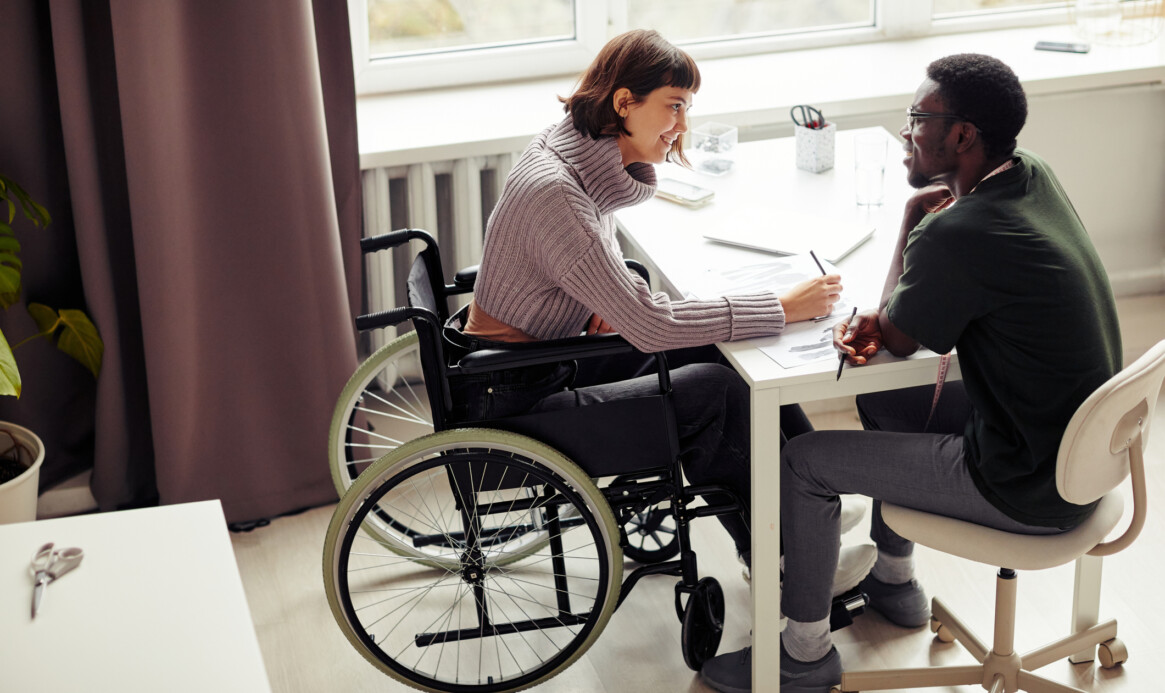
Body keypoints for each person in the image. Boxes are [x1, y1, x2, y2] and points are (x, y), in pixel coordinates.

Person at [699, 53, 1122, 693]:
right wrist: (927, 221)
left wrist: (912, 223)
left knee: (804, 462)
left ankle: (803, 656)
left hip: (1024, 481)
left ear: (961, 136)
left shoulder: (963, 232)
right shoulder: (1031, 175)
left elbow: (896, 336)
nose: (906, 131)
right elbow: (905, 336)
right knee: (894, 401)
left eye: (917, 117)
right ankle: (895, 584)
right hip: (1085, 454)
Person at [446, 29, 842, 563]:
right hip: (519, 395)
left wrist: (600, 301)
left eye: (687, 108)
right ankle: (788, 561)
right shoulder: (559, 192)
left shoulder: (570, 152)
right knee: (715, 389)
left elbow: (596, 263)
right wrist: (781, 308)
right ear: (623, 102)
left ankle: (809, 505)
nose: (682, 125)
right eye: (674, 106)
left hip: (540, 358)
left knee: (718, 351)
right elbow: (650, 326)